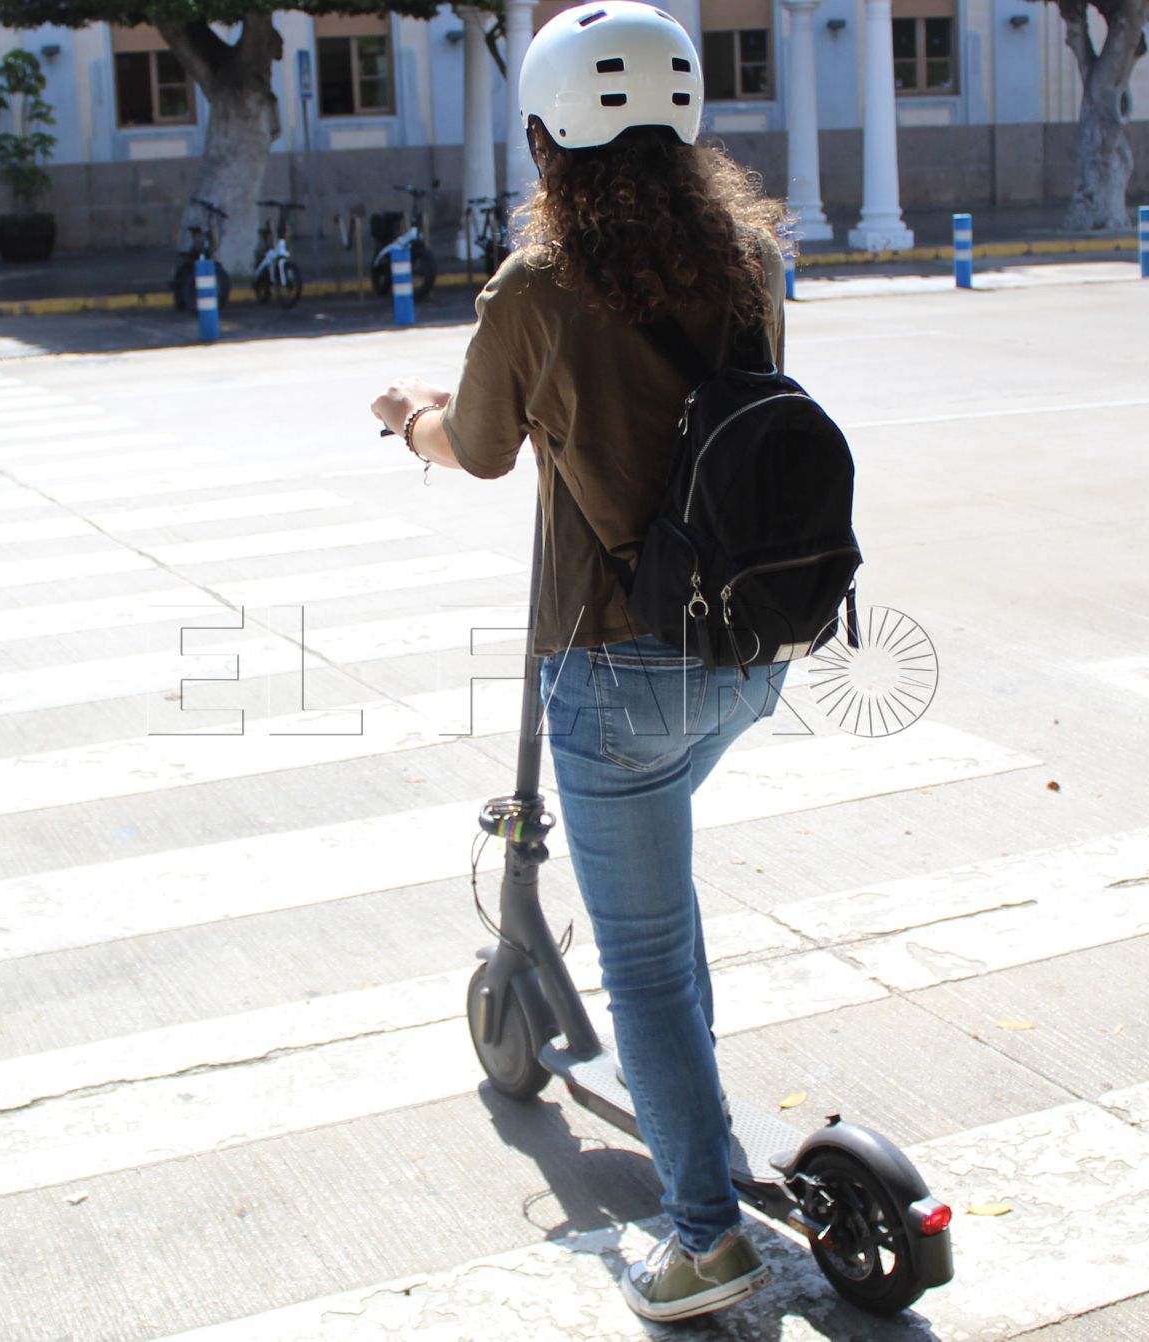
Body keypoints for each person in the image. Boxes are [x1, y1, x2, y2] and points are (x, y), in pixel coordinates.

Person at [367, 1, 790, 1324]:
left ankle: (706, 1236)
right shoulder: (750, 258)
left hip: (616, 666)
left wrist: (411, 418)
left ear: (547, 138)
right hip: (750, 645)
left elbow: (483, 448)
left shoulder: (537, 287)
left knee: (646, 960)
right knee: (661, 908)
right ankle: (703, 1133)